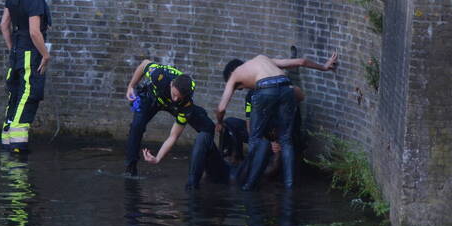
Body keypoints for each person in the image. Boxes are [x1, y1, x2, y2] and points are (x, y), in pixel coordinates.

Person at [216, 53, 338, 190]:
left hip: (265, 90)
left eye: (240, 88)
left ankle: (249, 185)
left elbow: (221, 108)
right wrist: (324, 67)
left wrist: (219, 122)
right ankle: (289, 186)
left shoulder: (235, 75)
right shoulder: (264, 59)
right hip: (286, 88)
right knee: (286, 141)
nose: (243, 88)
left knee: (255, 141)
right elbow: (301, 61)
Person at [125, 58, 227, 188]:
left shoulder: (185, 103)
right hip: (152, 97)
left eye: (179, 97)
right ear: (171, 84)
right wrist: (131, 86)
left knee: (208, 126)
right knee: (136, 127)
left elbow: (174, 136)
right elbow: (144, 63)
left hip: (176, 108)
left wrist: (158, 158)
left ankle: (210, 167)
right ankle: (130, 167)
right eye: (174, 94)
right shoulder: (159, 75)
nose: (175, 99)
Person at [0, 0, 53, 153]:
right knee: (28, 94)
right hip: (31, 51)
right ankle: (18, 145)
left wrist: (13, 48)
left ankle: (7, 142)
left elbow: (4, 24)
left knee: (15, 93)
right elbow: (34, 32)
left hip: (17, 50)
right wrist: (45, 55)